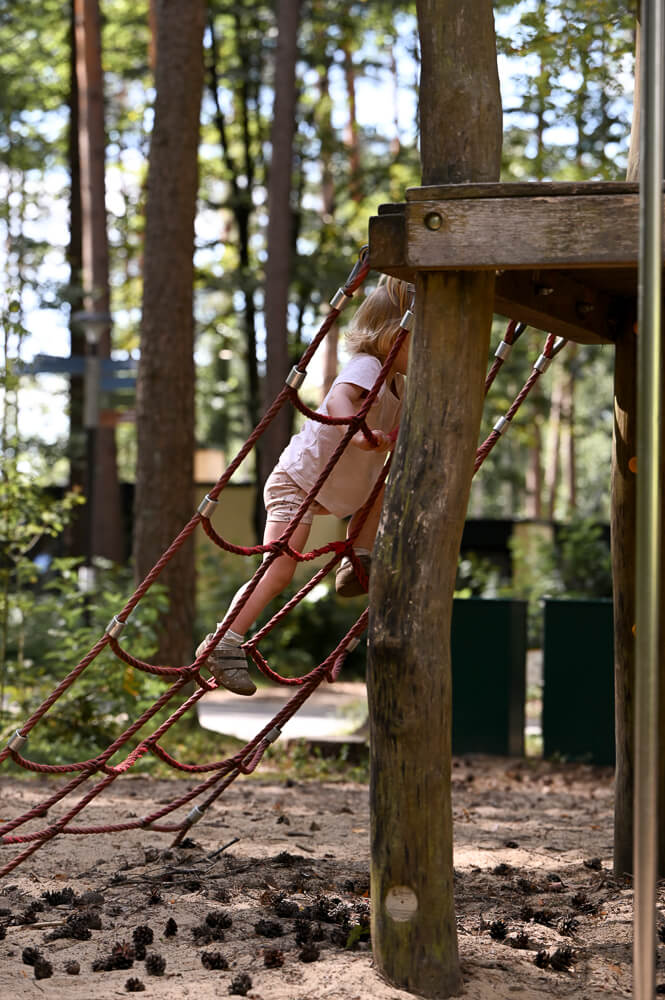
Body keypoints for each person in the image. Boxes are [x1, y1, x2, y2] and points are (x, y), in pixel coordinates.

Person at [196, 275, 414, 695]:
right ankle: (224, 641)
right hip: (299, 482)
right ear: (391, 336)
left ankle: (359, 555)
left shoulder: (399, 384)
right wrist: (360, 433)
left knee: (392, 479)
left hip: (339, 488)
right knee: (278, 570)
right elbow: (337, 404)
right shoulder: (368, 364)